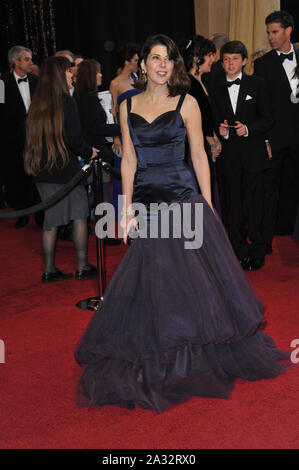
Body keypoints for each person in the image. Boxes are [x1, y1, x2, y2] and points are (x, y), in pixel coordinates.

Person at [74, 35, 289, 414]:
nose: (161, 65)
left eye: (168, 59)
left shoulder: (187, 103)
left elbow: (200, 156)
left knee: (188, 280)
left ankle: (191, 357)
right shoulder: (127, 105)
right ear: (143, 63)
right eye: (154, 58)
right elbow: (129, 161)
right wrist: (125, 210)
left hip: (182, 199)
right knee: (154, 280)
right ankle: (161, 351)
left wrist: (207, 204)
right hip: (146, 204)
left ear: (175, 65)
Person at [24, 56, 99, 283]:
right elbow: (74, 139)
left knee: (51, 222)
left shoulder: (37, 103)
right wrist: (90, 152)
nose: (71, 75)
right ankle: (82, 266)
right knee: (79, 216)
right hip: (66, 171)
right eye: (67, 72)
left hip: (42, 171)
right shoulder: (67, 102)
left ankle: (49, 270)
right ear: (58, 76)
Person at [213, 40, 273, 270]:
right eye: (226, 59)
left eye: (235, 58)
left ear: (244, 61)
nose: (230, 63)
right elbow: (216, 120)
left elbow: (268, 118)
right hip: (230, 157)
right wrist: (221, 132)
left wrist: (248, 129)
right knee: (234, 206)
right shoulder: (217, 88)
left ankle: (258, 250)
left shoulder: (258, 84)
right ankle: (238, 250)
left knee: (254, 205)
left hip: (253, 155)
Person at [254, 10, 299, 252]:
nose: (270, 37)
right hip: (276, 137)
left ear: (288, 30)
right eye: (268, 32)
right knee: (269, 191)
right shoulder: (263, 64)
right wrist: (265, 139)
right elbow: (261, 107)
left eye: (275, 32)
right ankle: (264, 242)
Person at [74, 59, 121, 244]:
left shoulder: (82, 97)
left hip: (90, 151)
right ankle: (105, 233)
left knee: (96, 195)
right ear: (90, 76)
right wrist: (119, 128)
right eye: (98, 73)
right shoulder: (89, 98)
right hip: (95, 153)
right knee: (102, 197)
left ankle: (82, 224)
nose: (101, 75)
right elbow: (95, 127)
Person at [1, 45, 42, 229]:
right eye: (26, 59)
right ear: (15, 61)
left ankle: (41, 213)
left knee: (37, 177)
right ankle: (22, 213)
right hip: (13, 140)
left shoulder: (35, 81)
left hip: (36, 139)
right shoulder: (2, 84)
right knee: (16, 177)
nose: (31, 62)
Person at [180, 36, 222, 215]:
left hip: (203, 144)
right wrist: (211, 140)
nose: (213, 59)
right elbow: (195, 120)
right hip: (194, 148)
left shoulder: (199, 81)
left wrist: (214, 136)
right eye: (210, 55)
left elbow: (207, 116)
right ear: (198, 58)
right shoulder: (189, 84)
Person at [109, 43, 141, 217]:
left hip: (141, 131)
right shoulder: (115, 83)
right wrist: (116, 137)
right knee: (125, 172)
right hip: (124, 132)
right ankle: (125, 211)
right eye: (136, 60)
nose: (138, 63)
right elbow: (113, 112)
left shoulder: (138, 79)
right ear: (127, 62)